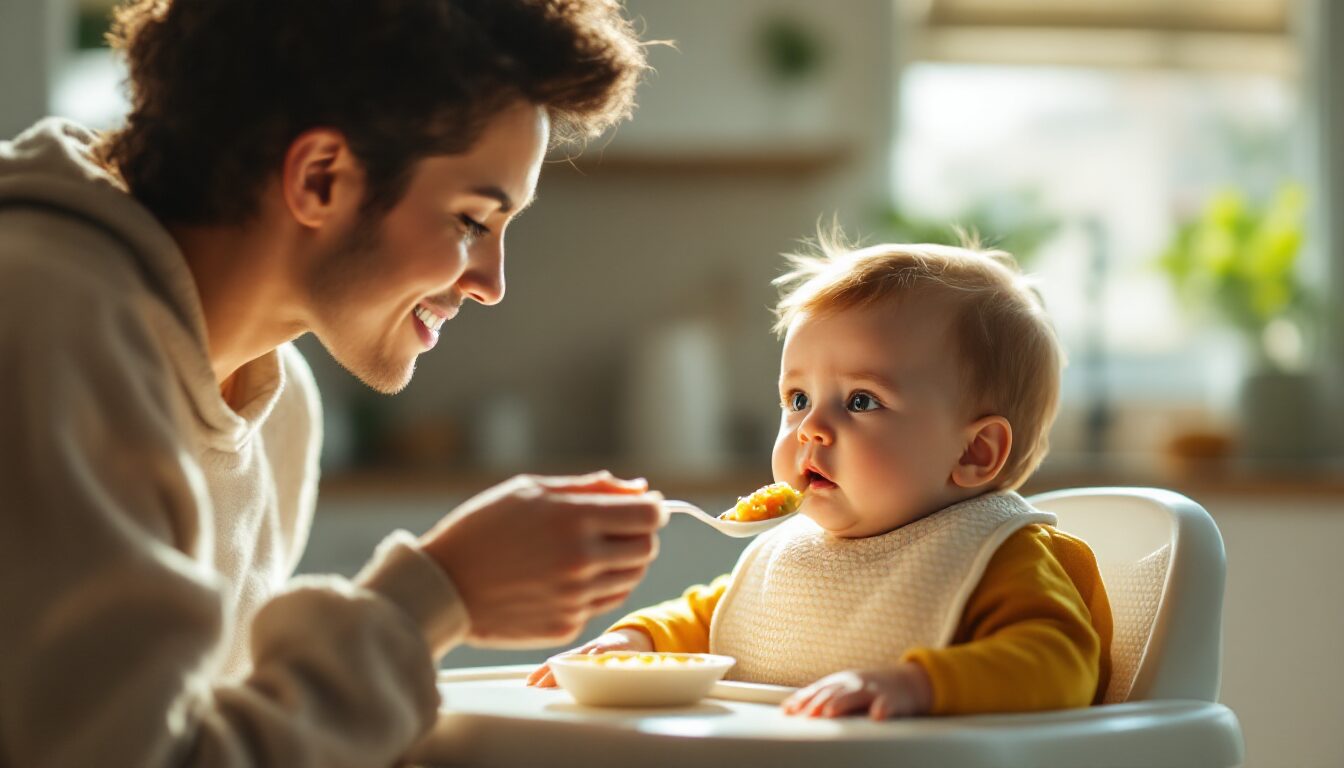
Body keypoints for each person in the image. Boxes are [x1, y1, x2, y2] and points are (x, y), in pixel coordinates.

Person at [0, 1, 666, 765]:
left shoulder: (280, 408)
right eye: (471, 222)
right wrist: (434, 596)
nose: (492, 284)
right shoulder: (47, 323)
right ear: (321, 178)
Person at [530, 233, 1114, 720]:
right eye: (798, 399)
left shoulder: (999, 555)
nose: (811, 428)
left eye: (861, 401)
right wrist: (637, 641)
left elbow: (1060, 663)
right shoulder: (793, 552)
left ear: (976, 452)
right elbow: (710, 616)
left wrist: (921, 685)